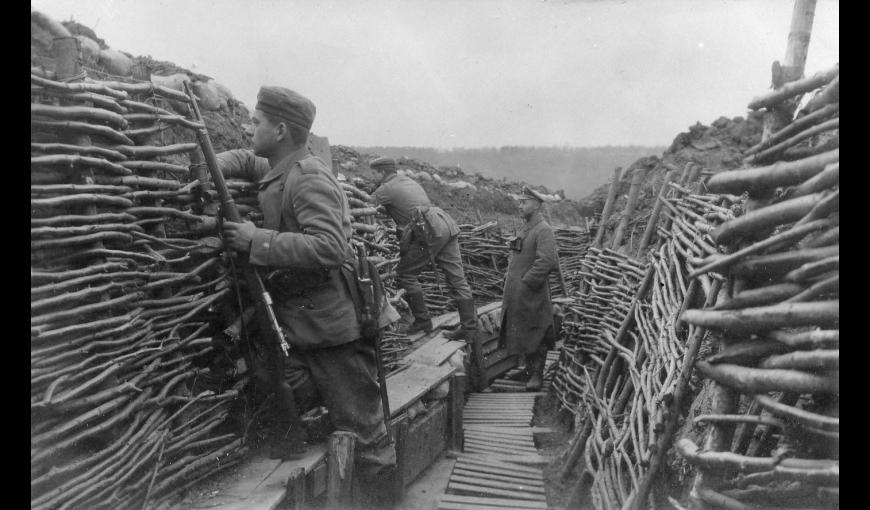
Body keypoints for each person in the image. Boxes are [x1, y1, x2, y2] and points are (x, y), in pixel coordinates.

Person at [216, 85, 395, 479]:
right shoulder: (284, 167)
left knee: (367, 436)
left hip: (334, 331)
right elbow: (248, 160)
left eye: (256, 121)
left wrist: (255, 240)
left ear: (280, 131)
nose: (248, 127)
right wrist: (211, 163)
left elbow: (331, 247)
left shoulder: (309, 176)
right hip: (304, 327)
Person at [368, 156, 477, 340]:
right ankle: (470, 329)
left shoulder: (386, 188)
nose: (372, 177)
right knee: (457, 280)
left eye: (374, 173)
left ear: (382, 172)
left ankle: (423, 321)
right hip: (444, 224)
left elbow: (367, 202)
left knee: (406, 275)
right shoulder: (406, 180)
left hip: (429, 230)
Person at [500, 186, 559, 391]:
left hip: (532, 293)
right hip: (518, 294)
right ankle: (526, 370)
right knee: (523, 331)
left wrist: (527, 282)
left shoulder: (543, 230)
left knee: (536, 331)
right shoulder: (527, 228)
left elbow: (547, 262)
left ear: (536, 205)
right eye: (520, 201)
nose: (520, 205)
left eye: (524, 202)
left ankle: (537, 375)